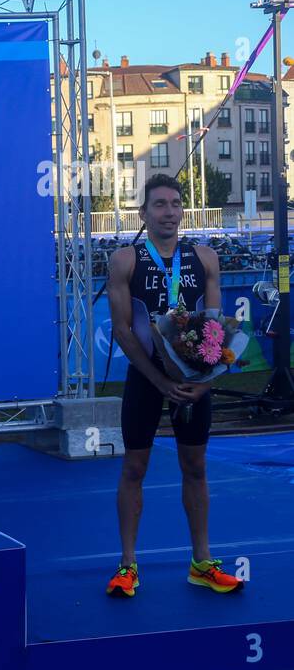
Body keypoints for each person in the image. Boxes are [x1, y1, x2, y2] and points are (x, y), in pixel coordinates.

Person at [105, 173, 242, 596]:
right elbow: (124, 331)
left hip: (195, 383)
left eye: (175, 203)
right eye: (159, 204)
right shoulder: (125, 260)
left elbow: (216, 332)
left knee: (196, 466)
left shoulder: (205, 257)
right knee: (134, 468)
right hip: (148, 379)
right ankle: (128, 565)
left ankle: (201, 562)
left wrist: (203, 382)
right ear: (143, 213)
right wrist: (161, 381)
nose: (169, 211)